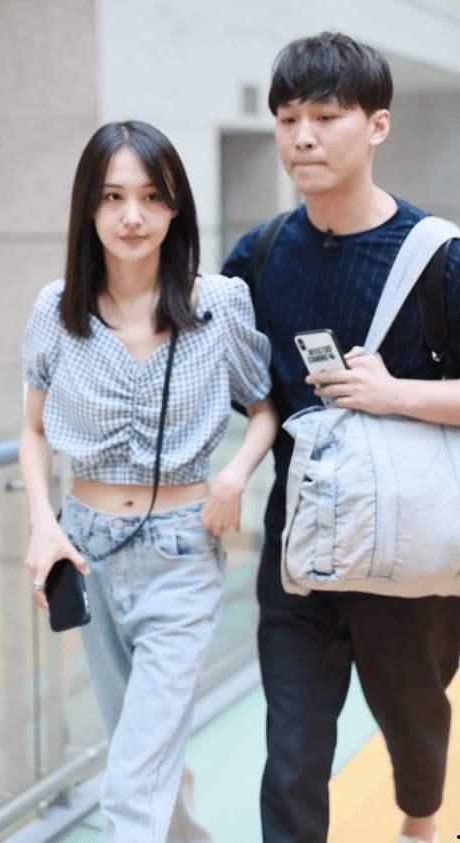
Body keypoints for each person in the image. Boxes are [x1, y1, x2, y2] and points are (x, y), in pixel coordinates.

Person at [222, 32, 460, 843]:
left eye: (326, 117)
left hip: (409, 545)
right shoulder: (259, 256)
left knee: (415, 726)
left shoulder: (438, 257)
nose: (303, 137)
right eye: (288, 118)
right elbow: (244, 384)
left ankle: (419, 816)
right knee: (291, 754)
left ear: (378, 125)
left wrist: (395, 395)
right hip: (298, 547)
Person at [19, 119, 276, 843]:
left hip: (181, 551)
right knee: (137, 746)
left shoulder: (216, 304)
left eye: (151, 197)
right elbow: (33, 430)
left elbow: (264, 408)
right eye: (112, 196)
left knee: (131, 785)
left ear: (174, 207)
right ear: (88, 207)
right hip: (87, 550)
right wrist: (43, 524)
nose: (132, 216)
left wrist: (233, 473)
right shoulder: (56, 310)